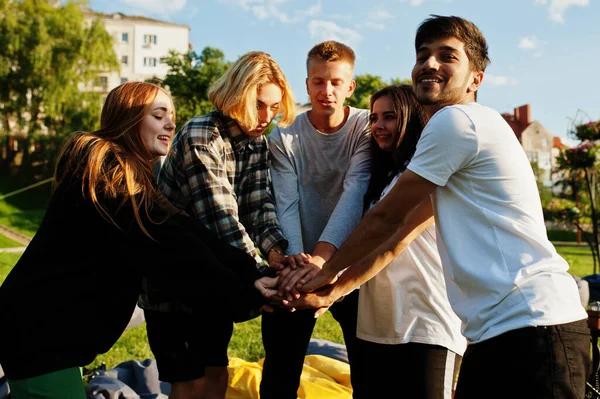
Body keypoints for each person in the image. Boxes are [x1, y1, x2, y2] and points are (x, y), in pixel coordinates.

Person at [286, 15, 591, 399]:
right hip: (497, 331)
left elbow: (387, 218)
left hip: (535, 327)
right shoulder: (451, 137)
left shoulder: (458, 121)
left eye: (447, 56)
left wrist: (324, 271)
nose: (429, 64)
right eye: (422, 55)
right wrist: (335, 290)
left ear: (475, 79)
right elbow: (400, 235)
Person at [0, 82, 270, 399]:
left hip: (45, 338)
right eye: (158, 115)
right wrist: (247, 295)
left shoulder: (127, 176)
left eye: (172, 115)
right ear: (128, 119)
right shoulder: (106, 176)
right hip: (40, 339)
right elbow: (168, 247)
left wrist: (254, 274)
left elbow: (185, 229)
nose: (171, 123)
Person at [147, 51, 302, 399]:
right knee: (190, 384)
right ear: (236, 95)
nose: (266, 116)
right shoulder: (201, 135)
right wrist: (261, 273)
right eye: (259, 105)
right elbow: (220, 217)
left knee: (217, 375)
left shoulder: (257, 142)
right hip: (173, 282)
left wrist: (278, 254)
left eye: (274, 107)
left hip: (216, 280)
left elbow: (260, 205)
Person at [262, 40, 371, 399]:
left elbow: (353, 194)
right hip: (297, 269)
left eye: (336, 82)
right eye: (318, 81)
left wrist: (325, 263)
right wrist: (298, 265)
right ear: (306, 84)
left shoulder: (365, 127)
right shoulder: (284, 135)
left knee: (370, 371)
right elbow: (286, 203)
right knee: (280, 372)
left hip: (350, 265)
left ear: (350, 86)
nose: (327, 91)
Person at [357, 84, 466, 398]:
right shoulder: (385, 177)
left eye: (389, 117)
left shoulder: (430, 174)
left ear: (410, 119)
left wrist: (329, 285)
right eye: (374, 117)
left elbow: (394, 241)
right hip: (376, 325)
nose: (378, 125)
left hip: (428, 324)